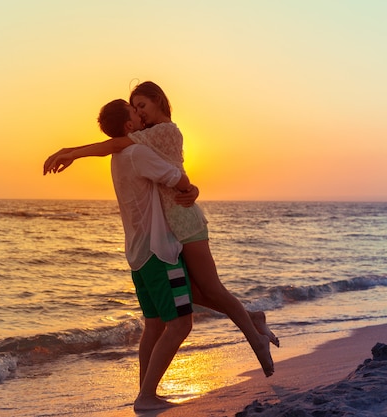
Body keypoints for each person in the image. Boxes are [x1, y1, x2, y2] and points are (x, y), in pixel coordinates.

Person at [44, 82, 277, 378]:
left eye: (142, 105)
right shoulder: (142, 138)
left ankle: (255, 337)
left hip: (184, 220)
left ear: (158, 101)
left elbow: (116, 144)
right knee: (193, 292)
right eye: (135, 108)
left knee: (212, 288)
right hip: (170, 225)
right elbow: (120, 143)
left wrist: (72, 152)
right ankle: (252, 317)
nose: (140, 112)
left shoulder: (166, 131)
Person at [87, 99, 196, 411]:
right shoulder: (137, 152)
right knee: (180, 324)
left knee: (154, 325)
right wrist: (191, 185)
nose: (140, 114)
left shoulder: (118, 156)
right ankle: (146, 395)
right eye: (135, 112)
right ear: (128, 126)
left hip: (137, 254)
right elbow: (178, 179)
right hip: (159, 252)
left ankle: (145, 393)